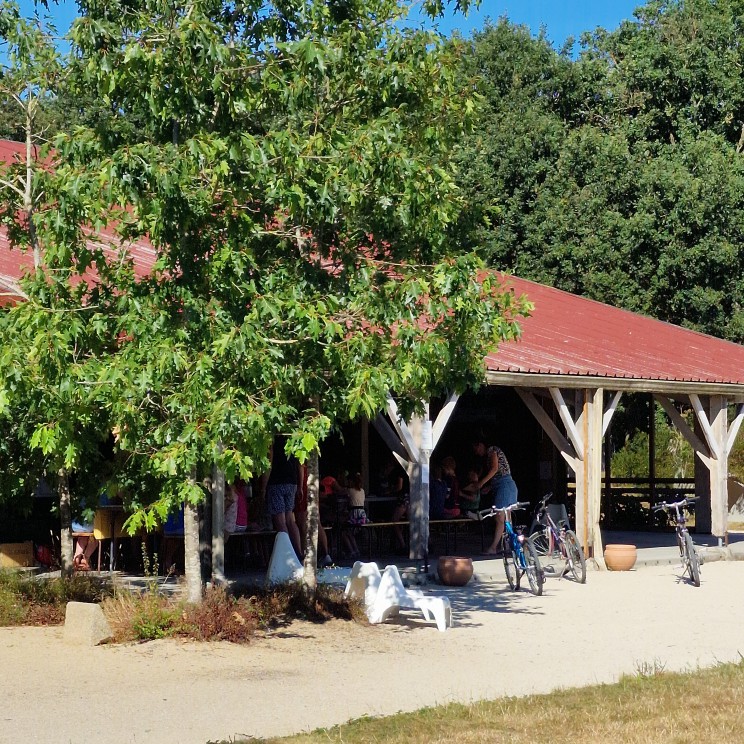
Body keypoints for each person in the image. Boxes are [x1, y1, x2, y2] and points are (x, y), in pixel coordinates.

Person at [473, 440, 518, 555]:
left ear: (481, 444)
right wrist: (489, 487)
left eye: (476, 448)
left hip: (504, 486)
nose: (477, 452)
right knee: (506, 518)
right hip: (507, 485)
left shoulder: (493, 451)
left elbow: (495, 469)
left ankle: (494, 547)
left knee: (499, 518)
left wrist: (481, 483)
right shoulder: (490, 454)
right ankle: (509, 545)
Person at [266, 435, 303, 559]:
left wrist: (263, 486)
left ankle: (289, 555)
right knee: (290, 520)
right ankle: (298, 552)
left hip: (276, 481)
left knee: (280, 522)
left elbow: (269, 461)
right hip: (292, 481)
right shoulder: (292, 437)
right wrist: (300, 485)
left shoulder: (272, 439)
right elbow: (300, 463)